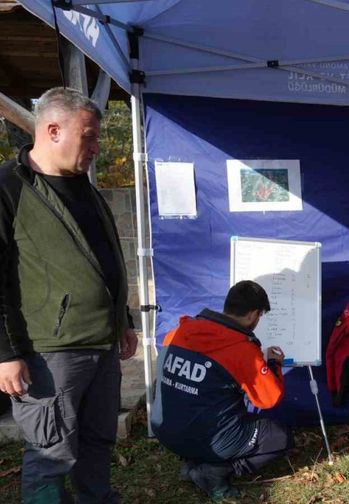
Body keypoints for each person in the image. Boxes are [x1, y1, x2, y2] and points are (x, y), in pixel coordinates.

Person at [0, 87, 138, 502]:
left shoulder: (86, 188)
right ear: (54, 130)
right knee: (51, 453)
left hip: (101, 344)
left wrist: (123, 322)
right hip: (49, 351)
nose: (97, 147)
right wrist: (5, 353)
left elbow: (105, 260)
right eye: (90, 137)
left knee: (97, 444)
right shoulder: (9, 188)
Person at [151, 280, 291, 500]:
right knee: (277, 437)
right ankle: (213, 473)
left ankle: (192, 461)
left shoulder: (177, 333)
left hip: (165, 431)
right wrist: (273, 364)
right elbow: (269, 399)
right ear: (254, 315)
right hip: (209, 439)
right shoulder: (241, 349)